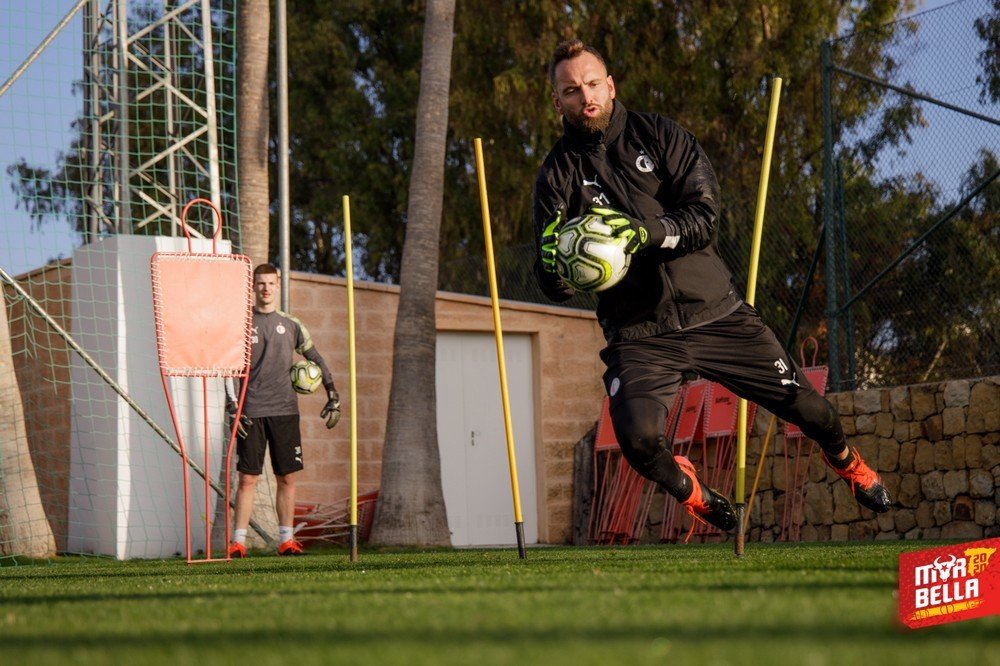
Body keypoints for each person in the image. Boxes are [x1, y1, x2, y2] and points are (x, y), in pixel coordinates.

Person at [533, 39, 891, 534]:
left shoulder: (661, 136)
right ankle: (695, 493)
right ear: (558, 102)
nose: (586, 96)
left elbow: (704, 218)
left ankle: (848, 461)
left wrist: (645, 233)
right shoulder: (555, 176)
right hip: (639, 335)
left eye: (593, 84)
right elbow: (555, 284)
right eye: (572, 90)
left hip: (716, 314)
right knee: (637, 440)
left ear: (610, 85)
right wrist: (550, 268)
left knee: (814, 411)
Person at [226, 263, 341, 557]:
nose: (265, 288)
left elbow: (316, 358)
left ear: (278, 286)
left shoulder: (292, 324)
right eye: (260, 283)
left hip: (285, 411)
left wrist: (332, 392)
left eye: (271, 283)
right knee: (247, 478)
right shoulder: (240, 324)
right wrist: (232, 407)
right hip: (251, 410)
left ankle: (286, 541)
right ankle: (237, 543)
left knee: (287, 478)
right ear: (254, 287)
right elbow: (228, 369)